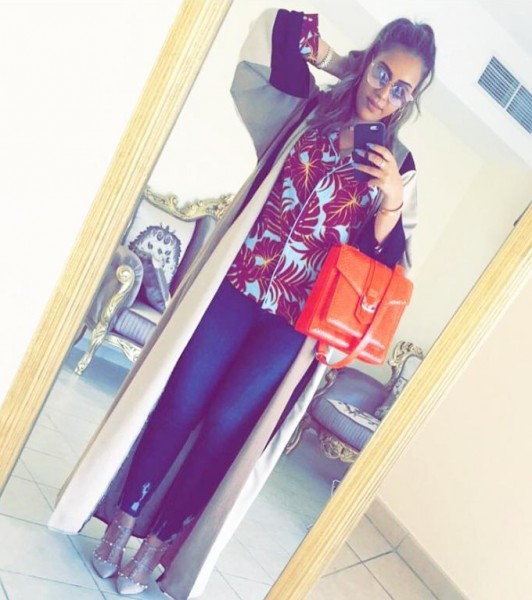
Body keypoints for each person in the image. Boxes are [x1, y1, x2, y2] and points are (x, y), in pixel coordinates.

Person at [86, 7, 436, 596]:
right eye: (382, 73)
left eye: (402, 89)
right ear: (369, 61)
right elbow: (284, 28)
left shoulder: (399, 166)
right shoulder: (308, 110)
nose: (386, 93)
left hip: (293, 323)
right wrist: (341, 64)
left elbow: (385, 268)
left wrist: (392, 202)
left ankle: (156, 548)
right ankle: (122, 523)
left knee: (226, 426)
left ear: (412, 99)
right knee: (181, 401)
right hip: (236, 287)